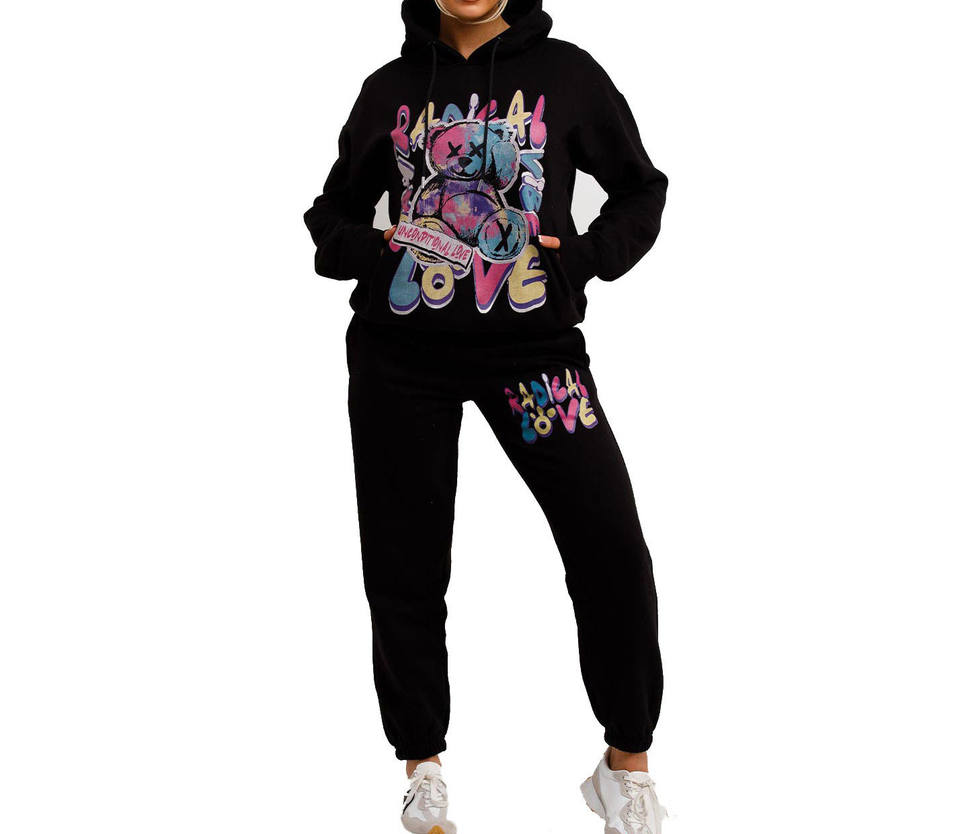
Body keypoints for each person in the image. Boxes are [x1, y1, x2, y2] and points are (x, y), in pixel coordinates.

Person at [303, 1, 668, 832]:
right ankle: (422, 766)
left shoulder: (568, 74)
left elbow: (641, 189)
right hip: (401, 362)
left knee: (610, 547)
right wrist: (374, 252)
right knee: (404, 563)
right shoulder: (388, 89)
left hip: (533, 357)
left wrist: (586, 259)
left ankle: (626, 765)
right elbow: (330, 215)